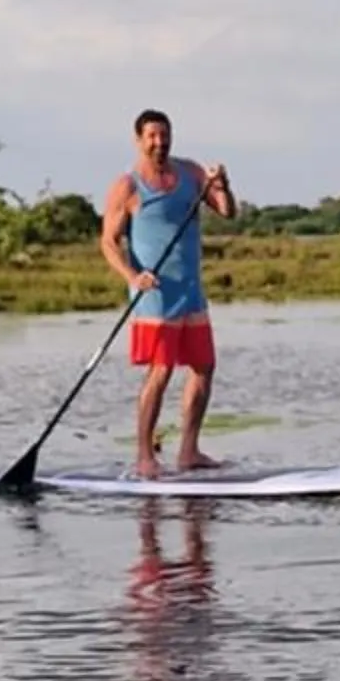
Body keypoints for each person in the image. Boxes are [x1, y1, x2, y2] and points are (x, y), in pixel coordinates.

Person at [100, 111, 236, 478]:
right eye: (152, 136)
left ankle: (189, 452)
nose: (159, 143)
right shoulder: (127, 186)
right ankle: (145, 456)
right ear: (139, 140)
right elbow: (108, 242)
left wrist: (221, 184)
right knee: (161, 370)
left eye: (164, 135)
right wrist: (133, 276)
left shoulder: (191, 173)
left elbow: (227, 212)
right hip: (155, 292)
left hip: (191, 289)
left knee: (204, 367)